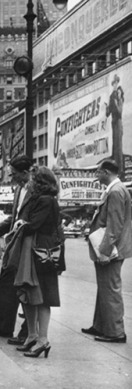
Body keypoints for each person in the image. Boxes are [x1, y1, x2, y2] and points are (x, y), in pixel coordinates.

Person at [7, 166, 64, 358]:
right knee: (28, 294)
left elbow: (34, 225)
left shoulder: (46, 200)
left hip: (40, 251)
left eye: (33, 178)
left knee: (42, 296)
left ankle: (42, 339)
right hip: (32, 250)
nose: (29, 181)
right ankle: (32, 336)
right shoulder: (39, 198)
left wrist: (22, 224)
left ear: (39, 181)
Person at [0, 155, 34, 342]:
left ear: (26, 173)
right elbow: (13, 217)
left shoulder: (37, 189)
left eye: (14, 174)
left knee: (28, 289)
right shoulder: (19, 189)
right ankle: (4, 327)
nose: (12, 179)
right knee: (6, 283)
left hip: (28, 245)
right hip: (14, 244)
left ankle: (27, 332)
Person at [82, 159, 132, 343]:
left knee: (110, 289)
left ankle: (116, 332)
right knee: (104, 288)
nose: (96, 175)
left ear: (105, 172)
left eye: (98, 172)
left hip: (112, 250)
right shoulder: (114, 190)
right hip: (111, 247)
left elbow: (115, 225)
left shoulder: (116, 191)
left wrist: (105, 251)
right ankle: (101, 326)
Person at [104, 75, 124, 175]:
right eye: (113, 84)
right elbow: (108, 113)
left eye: (116, 83)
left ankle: (120, 170)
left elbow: (119, 111)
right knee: (115, 147)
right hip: (114, 123)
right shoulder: (113, 96)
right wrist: (107, 108)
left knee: (118, 147)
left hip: (118, 123)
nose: (114, 85)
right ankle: (116, 169)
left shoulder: (119, 97)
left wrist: (116, 100)